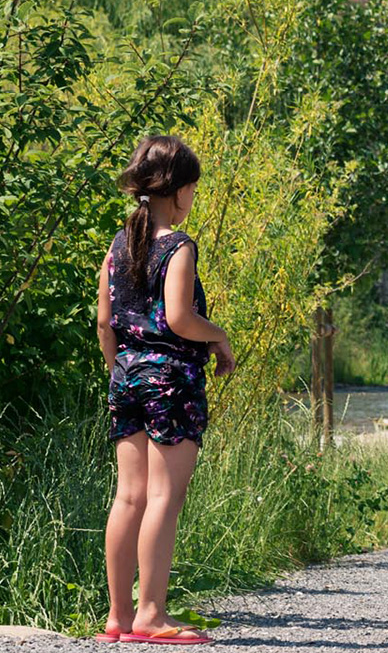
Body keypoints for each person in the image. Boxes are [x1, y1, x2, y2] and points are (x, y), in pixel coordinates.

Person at [94, 135, 236, 646]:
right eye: (193, 189)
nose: (193, 198)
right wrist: (219, 336)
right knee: (162, 497)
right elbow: (179, 318)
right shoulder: (177, 245)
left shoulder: (118, 243)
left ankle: (118, 617)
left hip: (127, 375)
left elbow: (104, 321)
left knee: (127, 497)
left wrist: (122, 369)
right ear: (177, 192)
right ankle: (151, 615)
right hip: (170, 380)